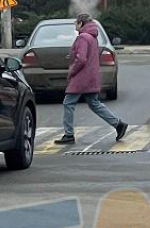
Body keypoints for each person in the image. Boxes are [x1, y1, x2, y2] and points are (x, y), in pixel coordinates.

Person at [54, 14, 128, 145]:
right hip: (91, 75)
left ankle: (69, 134)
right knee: (94, 103)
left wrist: (72, 71)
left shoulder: (82, 37)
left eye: (76, 24)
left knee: (68, 103)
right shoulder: (92, 37)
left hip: (81, 77)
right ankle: (118, 124)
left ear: (81, 24)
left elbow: (81, 59)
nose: (75, 26)